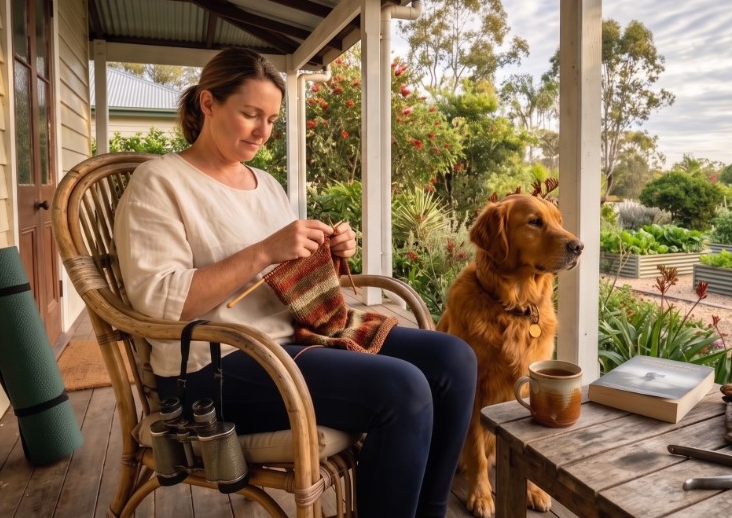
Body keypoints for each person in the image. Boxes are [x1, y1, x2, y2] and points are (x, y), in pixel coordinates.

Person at [113, 47, 476, 518]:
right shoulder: (160, 182)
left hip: (294, 342)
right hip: (212, 367)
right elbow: (159, 302)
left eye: (271, 119)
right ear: (208, 103)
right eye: (250, 115)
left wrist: (327, 250)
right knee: (403, 390)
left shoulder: (265, 184)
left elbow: (288, 273)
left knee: (453, 358)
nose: (263, 132)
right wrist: (265, 250)